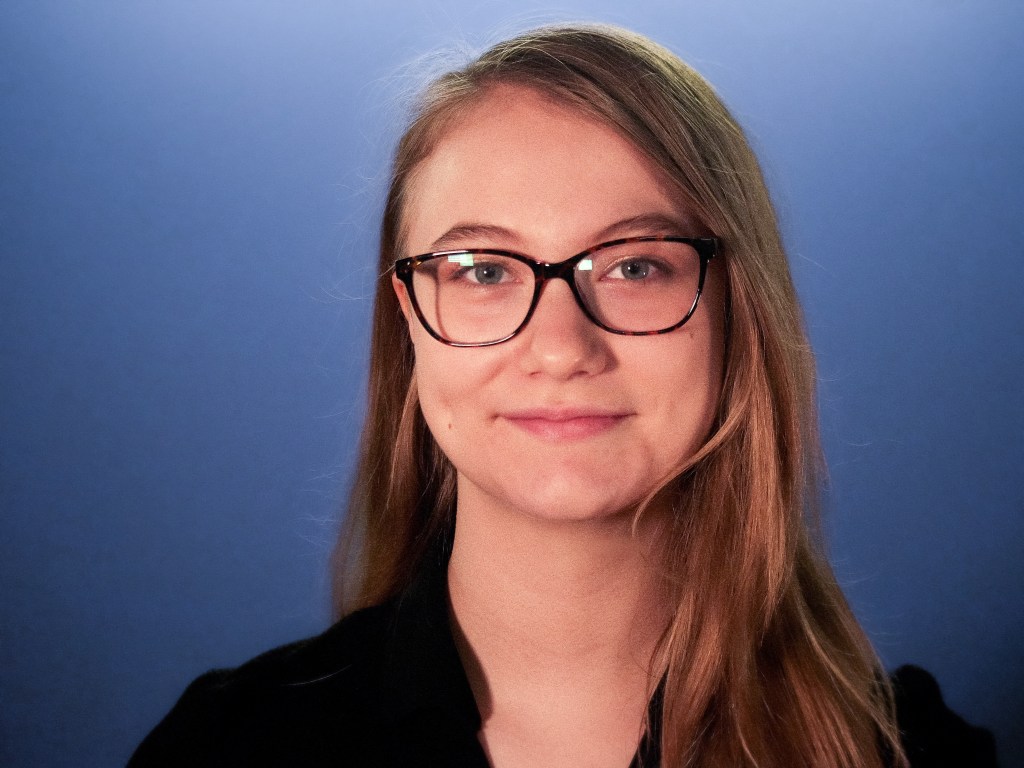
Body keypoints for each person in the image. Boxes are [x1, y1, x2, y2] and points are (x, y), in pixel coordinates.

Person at [129, 24, 997, 768]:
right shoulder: (228, 746)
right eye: (483, 270)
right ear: (408, 320)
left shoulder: (912, 751)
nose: (558, 347)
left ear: (740, 310)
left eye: (634, 266)